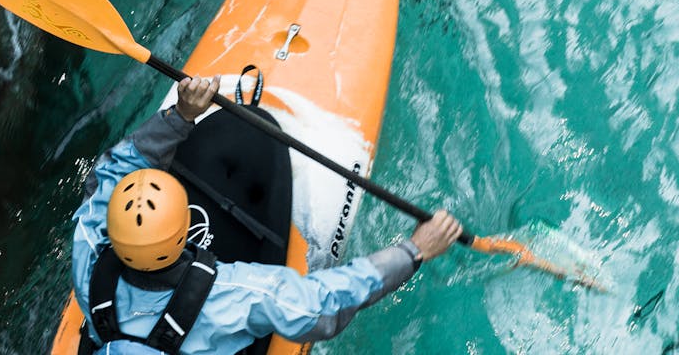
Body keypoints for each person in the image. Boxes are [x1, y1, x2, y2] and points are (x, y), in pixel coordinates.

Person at [71, 75, 464, 354]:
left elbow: (107, 176)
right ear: (185, 229)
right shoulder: (232, 296)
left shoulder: (90, 249)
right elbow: (323, 306)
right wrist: (414, 251)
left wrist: (179, 117)